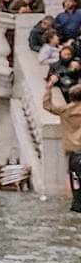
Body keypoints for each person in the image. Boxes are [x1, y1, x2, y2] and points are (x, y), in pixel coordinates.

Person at [44, 74, 81, 213]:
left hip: (71, 147)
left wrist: (49, 87)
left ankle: (71, 200)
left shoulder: (65, 110)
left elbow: (47, 105)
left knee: (70, 175)